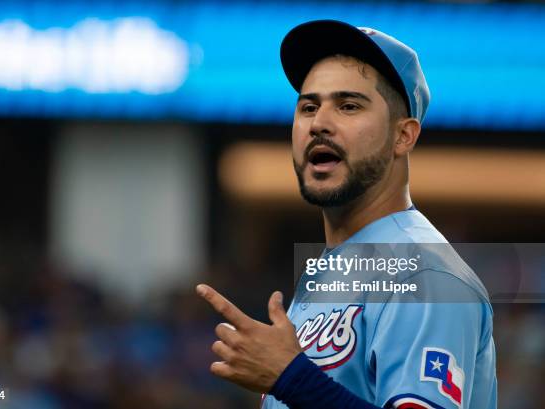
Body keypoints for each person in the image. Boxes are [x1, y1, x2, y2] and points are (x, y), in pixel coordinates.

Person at [196, 20, 496, 409]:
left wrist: (290, 377)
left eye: (349, 105)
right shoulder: (337, 270)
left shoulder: (424, 275)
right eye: (308, 106)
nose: (319, 123)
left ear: (403, 135)